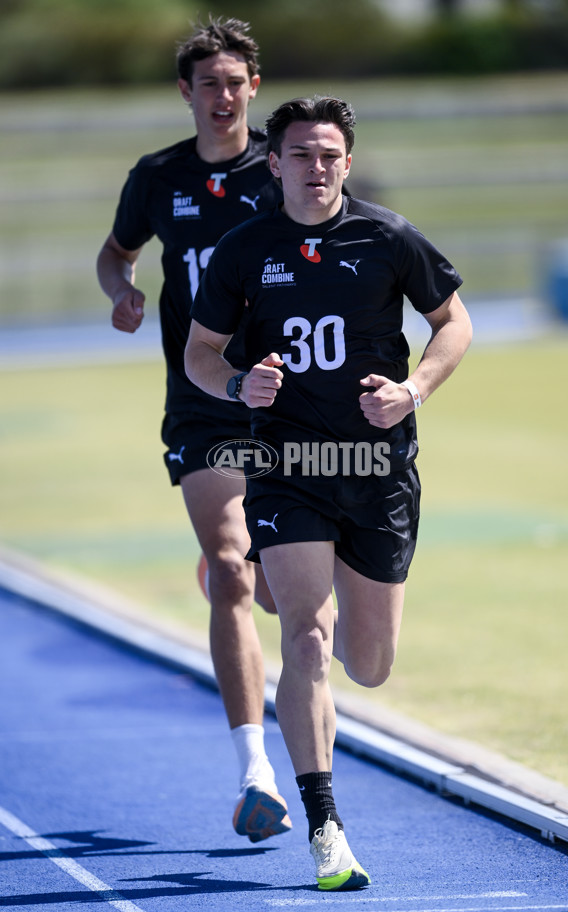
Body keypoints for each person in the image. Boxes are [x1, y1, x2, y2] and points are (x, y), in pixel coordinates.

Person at [184, 95, 473, 889]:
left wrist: (412, 391)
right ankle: (326, 830)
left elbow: (454, 323)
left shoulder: (388, 237)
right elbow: (200, 353)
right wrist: (242, 381)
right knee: (307, 641)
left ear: (347, 162)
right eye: (300, 155)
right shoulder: (245, 249)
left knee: (369, 663)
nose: (316, 168)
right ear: (272, 163)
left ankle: (296, 591)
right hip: (287, 466)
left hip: (378, 472)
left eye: (329, 155)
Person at [96, 17, 292, 844]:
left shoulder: (284, 169)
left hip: (287, 401)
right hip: (202, 401)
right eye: (206, 84)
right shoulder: (158, 177)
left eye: (235, 82)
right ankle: (255, 772)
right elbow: (116, 252)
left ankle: (239, 570)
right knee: (232, 569)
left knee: (277, 587)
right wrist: (123, 292)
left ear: (254, 85)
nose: (222, 97)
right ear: (187, 92)